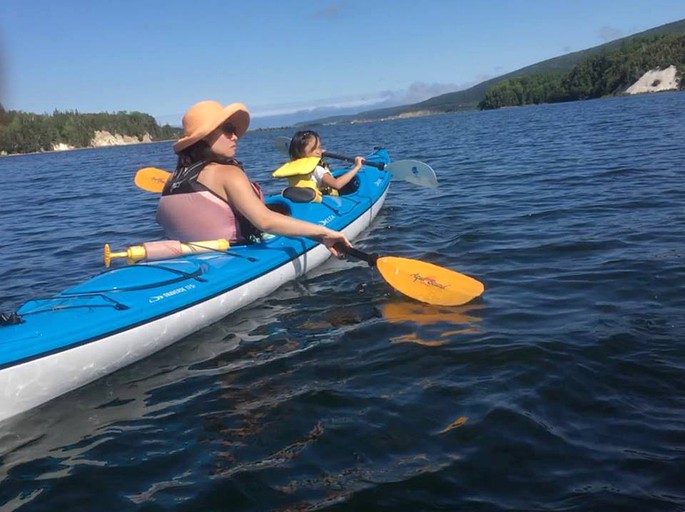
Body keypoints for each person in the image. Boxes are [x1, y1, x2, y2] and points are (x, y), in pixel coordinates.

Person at [156, 100, 351, 256]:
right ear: (204, 137)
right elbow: (265, 222)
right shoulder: (227, 173)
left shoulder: (173, 178)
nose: (235, 137)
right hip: (238, 255)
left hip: (189, 258)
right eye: (227, 129)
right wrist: (324, 233)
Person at [288, 130, 364, 196]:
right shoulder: (318, 170)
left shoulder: (293, 167)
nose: (320, 150)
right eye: (316, 148)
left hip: (304, 199)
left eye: (320, 147)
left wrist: (319, 158)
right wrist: (357, 167)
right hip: (323, 201)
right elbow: (337, 184)